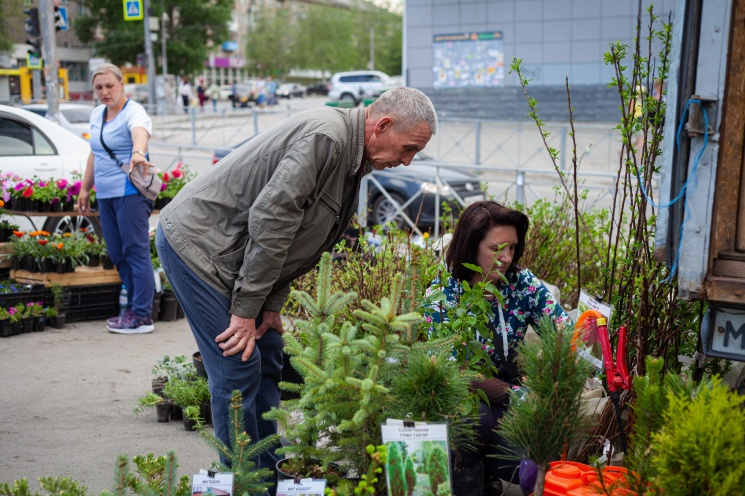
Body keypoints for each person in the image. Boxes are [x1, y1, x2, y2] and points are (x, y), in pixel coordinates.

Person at [154, 87, 437, 487]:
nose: (407, 160)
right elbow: (272, 222)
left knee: (268, 349)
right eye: (408, 148)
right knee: (236, 363)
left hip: (235, 254)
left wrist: (271, 304)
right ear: (383, 126)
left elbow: (300, 237)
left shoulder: (352, 158)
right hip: (199, 247)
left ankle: (271, 468)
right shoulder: (327, 138)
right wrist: (246, 307)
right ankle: (246, 480)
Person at [424, 200, 571, 495]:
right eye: (496, 249)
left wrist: (551, 363)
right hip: (464, 403)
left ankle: (487, 471)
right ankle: (466, 472)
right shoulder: (443, 293)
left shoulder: (520, 282)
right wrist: (518, 396)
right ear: (470, 246)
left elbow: (562, 329)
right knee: (472, 419)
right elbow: (456, 372)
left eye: (512, 248)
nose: (506, 258)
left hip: (506, 399)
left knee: (529, 463)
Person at [77, 63, 156, 335]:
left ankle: (142, 315)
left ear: (122, 85)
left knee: (135, 251)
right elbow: (95, 152)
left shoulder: (133, 112)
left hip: (130, 192)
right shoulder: (98, 114)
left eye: (110, 85)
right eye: (99, 87)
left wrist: (138, 153)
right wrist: (85, 188)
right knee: (117, 253)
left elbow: (140, 133)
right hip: (106, 193)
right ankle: (134, 307)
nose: (104, 91)